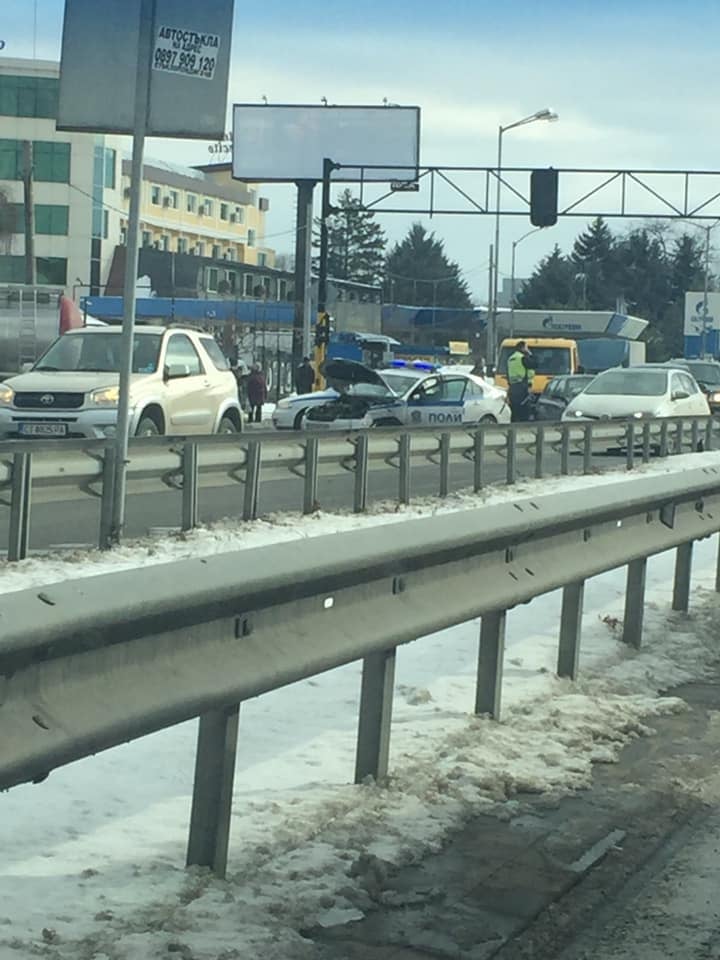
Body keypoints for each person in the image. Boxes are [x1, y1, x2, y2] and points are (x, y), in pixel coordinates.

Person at [507, 341, 535, 422]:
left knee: (514, 411)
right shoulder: (523, 358)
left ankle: (513, 430)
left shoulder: (510, 358)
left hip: (512, 388)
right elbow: (535, 364)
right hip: (522, 387)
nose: (527, 349)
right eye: (526, 347)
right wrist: (530, 354)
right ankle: (523, 430)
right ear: (522, 348)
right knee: (524, 412)